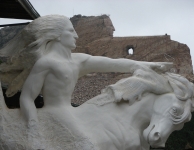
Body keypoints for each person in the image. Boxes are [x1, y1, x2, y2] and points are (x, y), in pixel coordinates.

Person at [0, 15, 172, 127]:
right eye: (71, 31)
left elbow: (114, 63)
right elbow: (27, 97)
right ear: (58, 36)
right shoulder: (46, 63)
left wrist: (144, 65)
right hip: (55, 115)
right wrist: (32, 123)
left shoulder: (78, 60)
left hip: (71, 112)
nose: (76, 35)